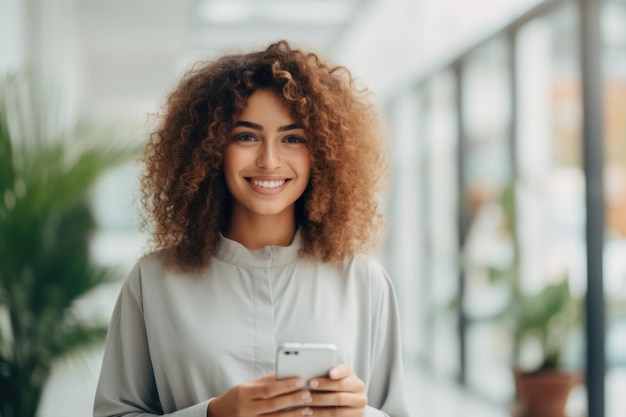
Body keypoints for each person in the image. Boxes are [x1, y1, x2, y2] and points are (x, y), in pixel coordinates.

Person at [93, 40, 410, 417]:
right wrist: (212, 414)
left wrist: (357, 413)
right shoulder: (154, 281)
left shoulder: (364, 282)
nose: (269, 160)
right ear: (211, 148)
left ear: (322, 153)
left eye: (293, 138)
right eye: (246, 136)